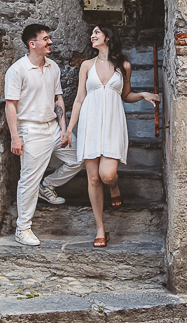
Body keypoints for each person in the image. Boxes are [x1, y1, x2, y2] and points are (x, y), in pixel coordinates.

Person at [65, 24, 161, 248]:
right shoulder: (87, 66)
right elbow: (79, 99)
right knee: (93, 178)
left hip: (112, 123)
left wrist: (143, 94)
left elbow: (125, 95)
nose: (92, 36)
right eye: (92, 33)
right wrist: (69, 129)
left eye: (96, 33)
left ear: (107, 37)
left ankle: (114, 187)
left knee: (107, 175)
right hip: (90, 122)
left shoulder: (123, 66)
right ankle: (100, 229)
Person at [4, 23, 84, 246]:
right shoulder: (17, 70)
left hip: (53, 127)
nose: (50, 42)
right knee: (28, 180)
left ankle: (47, 185)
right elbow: (10, 106)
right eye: (46, 39)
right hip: (31, 129)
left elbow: (58, 100)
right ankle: (23, 229)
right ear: (33, 44)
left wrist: (65, 129)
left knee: (78, 158)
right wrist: (15, 137)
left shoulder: (53, 67)